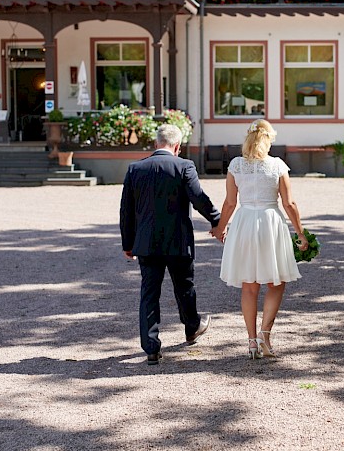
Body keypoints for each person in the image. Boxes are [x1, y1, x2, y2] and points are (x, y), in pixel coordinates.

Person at [120, 124, 222, 366]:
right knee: (184, 287)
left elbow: (126, 211)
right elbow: (199, 199)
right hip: (178, 241)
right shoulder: (184, 166)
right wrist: (218, 221)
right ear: (178, 147)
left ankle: (151, 348)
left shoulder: (135, 169)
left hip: (146, 243)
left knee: (149, 294)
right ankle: (191, 327)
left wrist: (128, 242)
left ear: (156, 144)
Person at [216, 119, 307, 360]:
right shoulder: (277, 165)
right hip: (270, 223)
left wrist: (220, 228)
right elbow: (289, 203)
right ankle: (265, 335)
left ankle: (251, 342)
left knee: (249, 285)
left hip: (245, 222)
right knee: (275, 283)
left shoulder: (236, 165)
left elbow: (230, 203)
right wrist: (300, 232)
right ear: (268, 140)